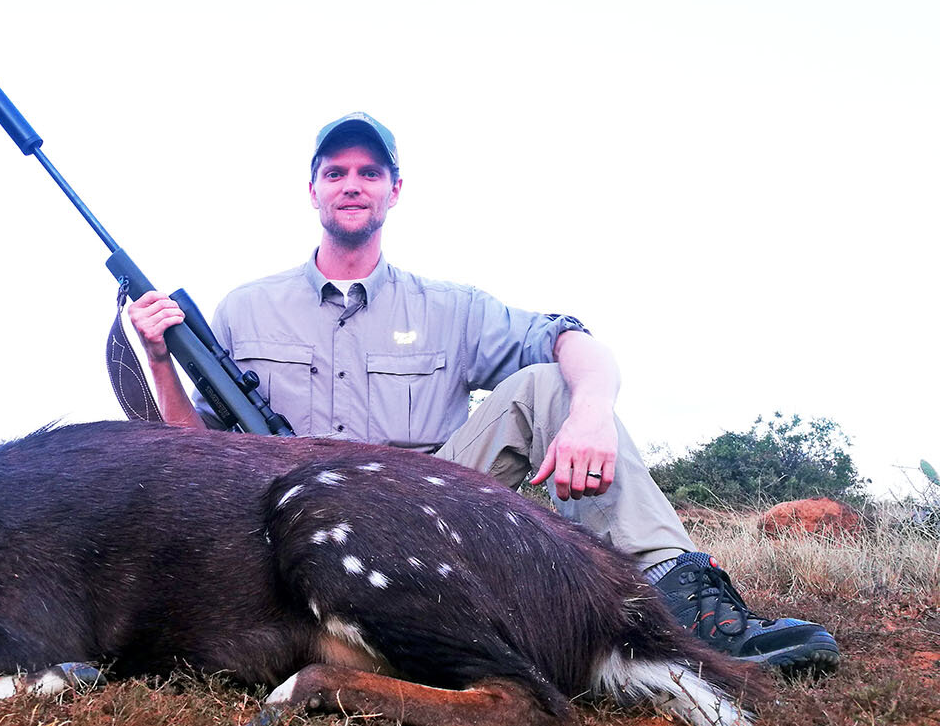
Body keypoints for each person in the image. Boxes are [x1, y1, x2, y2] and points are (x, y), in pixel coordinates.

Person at [128, 112, 840, 676]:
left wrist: (589, 412)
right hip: (296, 529)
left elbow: (571, 340)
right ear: (311, 189)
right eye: (336, 171)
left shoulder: (452, 306)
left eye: (370, 172)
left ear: (394, 190)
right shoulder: (244, 309)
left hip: (428, 503)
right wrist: (161, 359)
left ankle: (684, 602)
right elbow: (199, 459)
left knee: (545, 382)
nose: (353, 183)